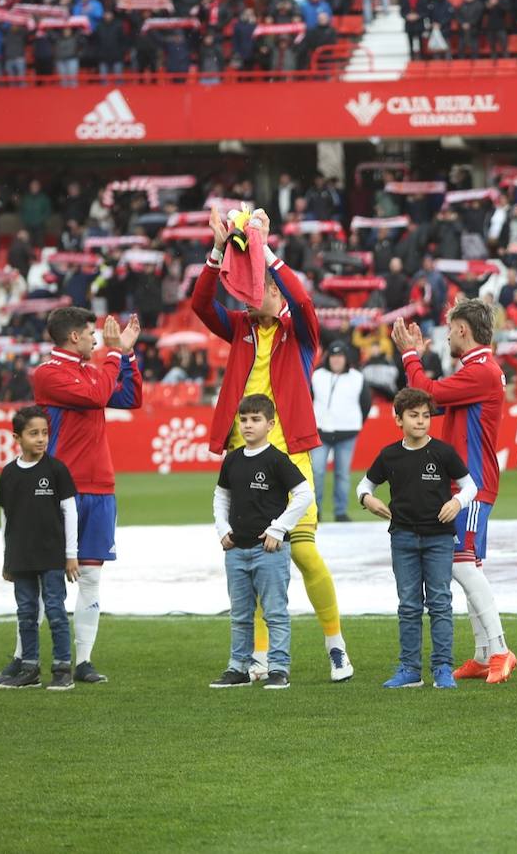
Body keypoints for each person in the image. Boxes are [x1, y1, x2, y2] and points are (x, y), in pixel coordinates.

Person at [194, 208, 353, 683]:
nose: (249, 295)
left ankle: (336, 645)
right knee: (259, 559)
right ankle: (260, 658)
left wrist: (264, 251)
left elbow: (302, 299)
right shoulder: (239, 328)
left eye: (258, 288)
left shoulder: (299, 332)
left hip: (291, 455)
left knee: (303, 554)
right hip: (245, 457)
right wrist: (218, 252)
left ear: (276, 292)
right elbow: (201, 305)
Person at [0, 306, 143, 687]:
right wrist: (113, 353)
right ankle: (23, 658)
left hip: (100, 486)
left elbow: (129, 397)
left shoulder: (92, 369)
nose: (96, 339)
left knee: (90, 575)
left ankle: (84, 661)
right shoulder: (49, 374)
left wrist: (126, 355)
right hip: (59, 487)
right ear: (74, 336)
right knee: (42, 577)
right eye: (92, 333)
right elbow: (96, 396)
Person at [391, 302, 516, 683]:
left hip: (472, 485)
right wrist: (417, 360)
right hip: (468, 483)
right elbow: (432, 403)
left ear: (463, 329)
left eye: (450, 329)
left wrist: (410, 355)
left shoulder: (481, 371)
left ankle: (500, 649)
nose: (446, 336)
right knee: (468, 565)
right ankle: (482, 654)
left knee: (460, 564)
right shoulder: (477, 371)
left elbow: (426, 394)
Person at [357, 388, 478, 691]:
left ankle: (443, 668)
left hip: (439, 539)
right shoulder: (389, 454)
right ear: (399, 419)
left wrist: (457, 503)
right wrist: (367, 499)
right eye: (414, 415)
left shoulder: (443, 452)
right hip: (403, 538)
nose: (421, 421)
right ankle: (410, 669)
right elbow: (364, 485)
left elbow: (470, 487)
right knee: (409, 605)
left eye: (426, 415)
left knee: (440, 603)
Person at [209, 395, 314, 691]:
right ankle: (238, 668)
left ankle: (278, 669)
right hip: (236, 550)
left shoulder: (277, 459)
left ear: (270, 424)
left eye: (255, 420)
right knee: (240, 615)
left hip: (270, 551)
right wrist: (222, 528)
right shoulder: (232, 460)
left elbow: (304, 494)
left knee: (275, 613)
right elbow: (221, 495)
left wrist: (278, 529)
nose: (247, 425)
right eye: (243, 420)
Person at [0, 406, 80, 691]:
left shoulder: (56, 470)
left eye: (44, 432)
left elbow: (70, 512)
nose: (41, 438)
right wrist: (7, 558)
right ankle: (29, 669)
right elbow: (5, 518)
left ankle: (62, 669)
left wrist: (71, 555)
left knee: (55, 611)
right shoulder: (8, 474)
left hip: (52, 555)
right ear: (17, 437)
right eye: (34, 433)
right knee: (26, 613)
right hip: (21, 557)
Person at [311, 341, 371, 523]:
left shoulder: (357, 377)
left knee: (342, 474)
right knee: (316, 471)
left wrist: (355, 422)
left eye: (340, 356)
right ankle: (315, 511)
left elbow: (366, 404)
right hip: (320, 432)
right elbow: (308, 399)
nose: (336, 360)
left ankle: (340, 512)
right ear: (327, 358)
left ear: (346, 358)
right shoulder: (316, 375)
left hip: (347, 433)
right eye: (333, 356)